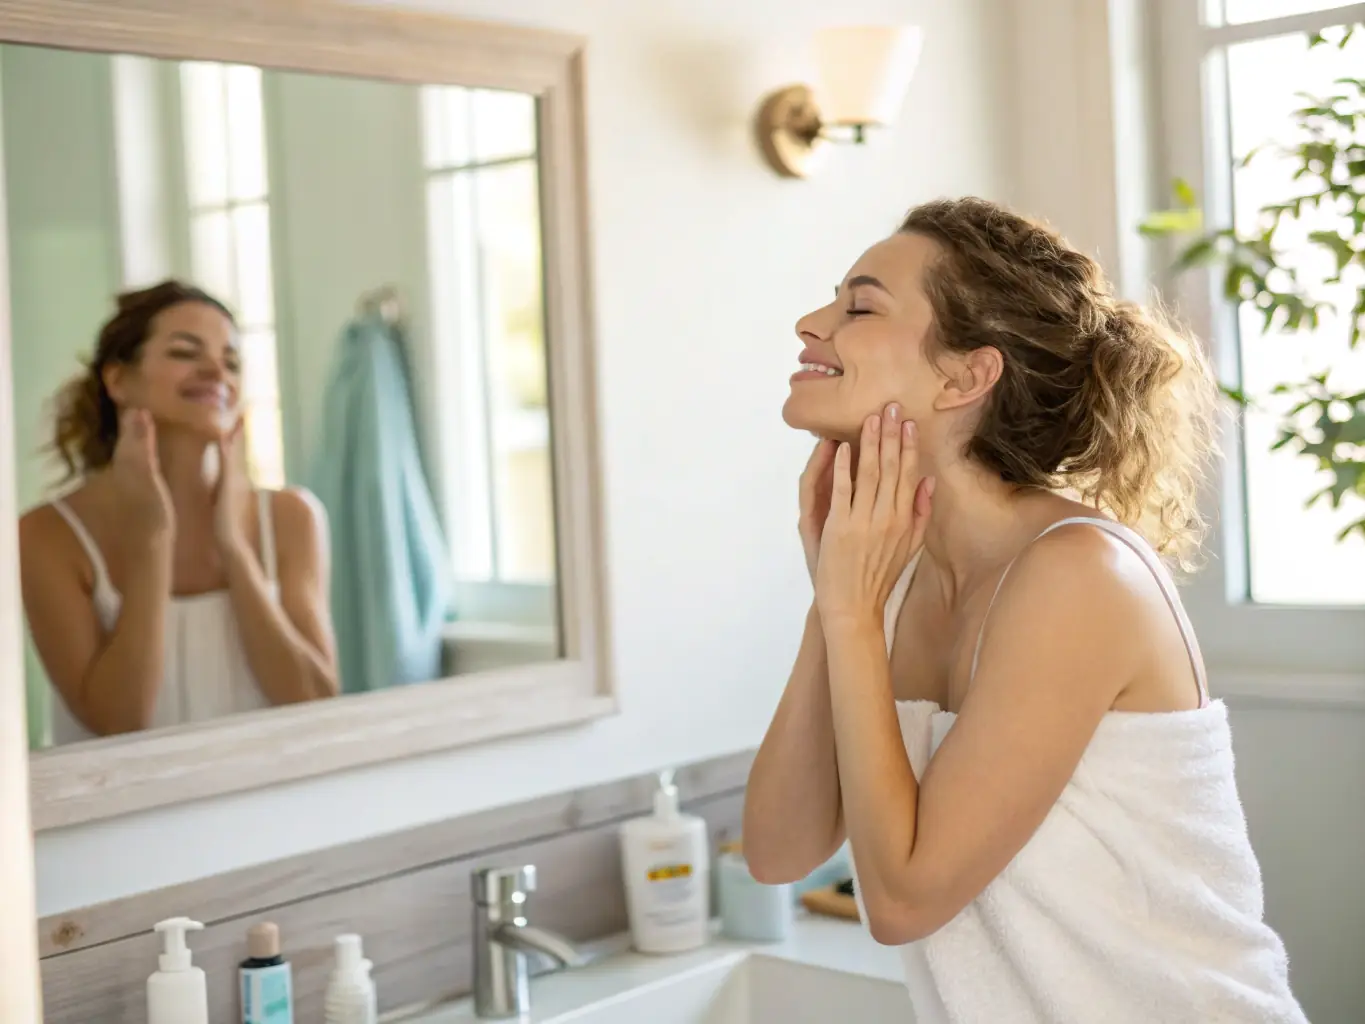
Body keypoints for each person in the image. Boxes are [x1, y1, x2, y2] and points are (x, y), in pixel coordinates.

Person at [743, 198, 1306, 1022]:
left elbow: (901, 904)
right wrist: (834, 596)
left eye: (859, 306)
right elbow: (777, 850)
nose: (810, 322)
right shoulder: (891, 581)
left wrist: (853, 619)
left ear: (966, 375)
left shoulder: (1079, 576)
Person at [19, 280, 339, 743]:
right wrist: (152, 542)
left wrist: (235, 550)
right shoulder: (47, 536)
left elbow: (316, 702)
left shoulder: (292, 518)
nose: (216, 371)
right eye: (186, 353)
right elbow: (118, 721)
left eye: (231, 362)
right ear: (118, 380)